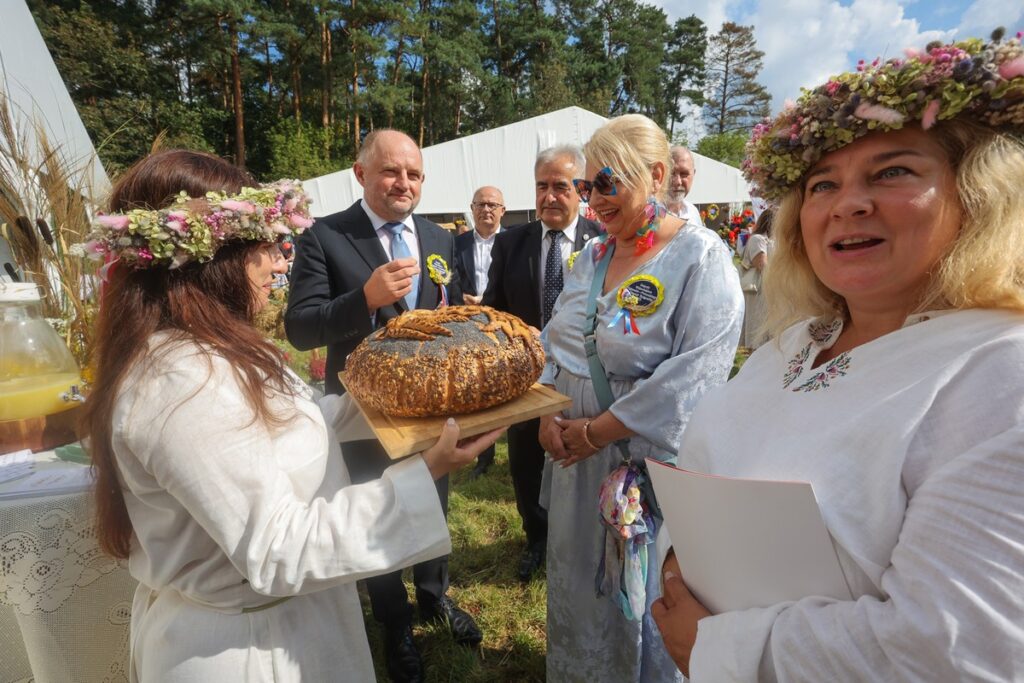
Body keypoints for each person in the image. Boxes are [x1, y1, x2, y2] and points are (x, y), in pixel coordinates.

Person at [652, 31, 1024, 680]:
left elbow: (952, 651)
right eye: (822, 184)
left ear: (978, 192)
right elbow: (710, 470)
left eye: (893, 171)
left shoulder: (998, 369)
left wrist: (724, 645)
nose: (849, 202)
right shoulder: (794, 343)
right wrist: (674, 559)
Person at [80, 149, 502, 682]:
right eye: (265, 248)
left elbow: (293, 422)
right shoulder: (181, 382)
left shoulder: (210, 348)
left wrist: (410, 396)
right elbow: (279, 548)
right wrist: (427, 471)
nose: (281, 264)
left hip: (288, 624)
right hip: (249, 650)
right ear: (210, 256)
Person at [538, 115, 743, 682]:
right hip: (574, 466)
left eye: (606, 183)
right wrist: (549, 412)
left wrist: (597, 431)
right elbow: (556, 339)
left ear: (655, 174)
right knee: (581, 585)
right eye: (586, 188)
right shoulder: (594, 256)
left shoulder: (700, 259)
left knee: (644, 597)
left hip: (644, 472)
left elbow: (698, 374)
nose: (593, 200)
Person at [284, 129, 476, 683]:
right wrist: (364, 299)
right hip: (362, 413)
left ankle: (434, 599)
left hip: (433, 408)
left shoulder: (440, 238)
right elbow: (299, 328)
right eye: (392, 172)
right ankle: (395, 627)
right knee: (375, 510)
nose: (404, 183)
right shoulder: (325, 236)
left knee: (432, 499)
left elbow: (445, 310)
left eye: (414, 174)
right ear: (360, 173)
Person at [481, 145, 600, 582]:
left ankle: (583, 538)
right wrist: (514, 337)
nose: (550, 196)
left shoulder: (602, 243)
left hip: (586, 379)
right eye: (542, 186)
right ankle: (537, 537)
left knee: (580, 459)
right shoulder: (512, 242)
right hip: (527, 380)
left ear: (580, 191)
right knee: (527, 462)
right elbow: (492, 309)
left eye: (561, 187)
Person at [454, 185, 505, 478]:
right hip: (468, 323)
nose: (486, 209)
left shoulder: (514, 241)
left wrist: (487, 301)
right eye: (480, 204)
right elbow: (448, 279)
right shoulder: (456, 244)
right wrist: (464, 298)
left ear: (503, 211)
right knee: (476, 388)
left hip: (503, 323)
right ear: (471, 209)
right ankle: (482, 456)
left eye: (492, 205)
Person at [737, 209, 772, 348]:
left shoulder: (770, 240)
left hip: (769, 289)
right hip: (758, 289)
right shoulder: (757, 239)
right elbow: (762, 264)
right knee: (757, 327)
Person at [666, 146, 702, 224]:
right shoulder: (649, 214)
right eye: (671, 173)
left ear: (693, 174)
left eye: (684, 174)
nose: (677, 182)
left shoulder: (693, 212)